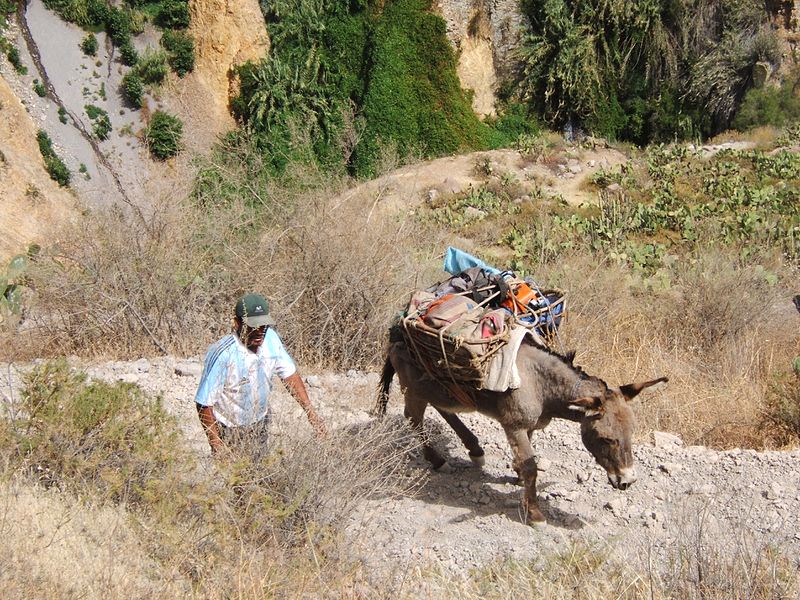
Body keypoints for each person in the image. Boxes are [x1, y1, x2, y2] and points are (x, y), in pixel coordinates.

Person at [195, 293, 326, 455]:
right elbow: (203, 403)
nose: (259, 332)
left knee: (259, 470)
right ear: (237, 323)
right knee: (234, 477)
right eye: (253, 326)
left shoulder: (271, 339)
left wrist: (311, 413)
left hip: (260, 421)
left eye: (264, 326)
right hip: (228, 427)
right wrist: (217, 445)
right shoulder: (224, 353)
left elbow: (289, 375)